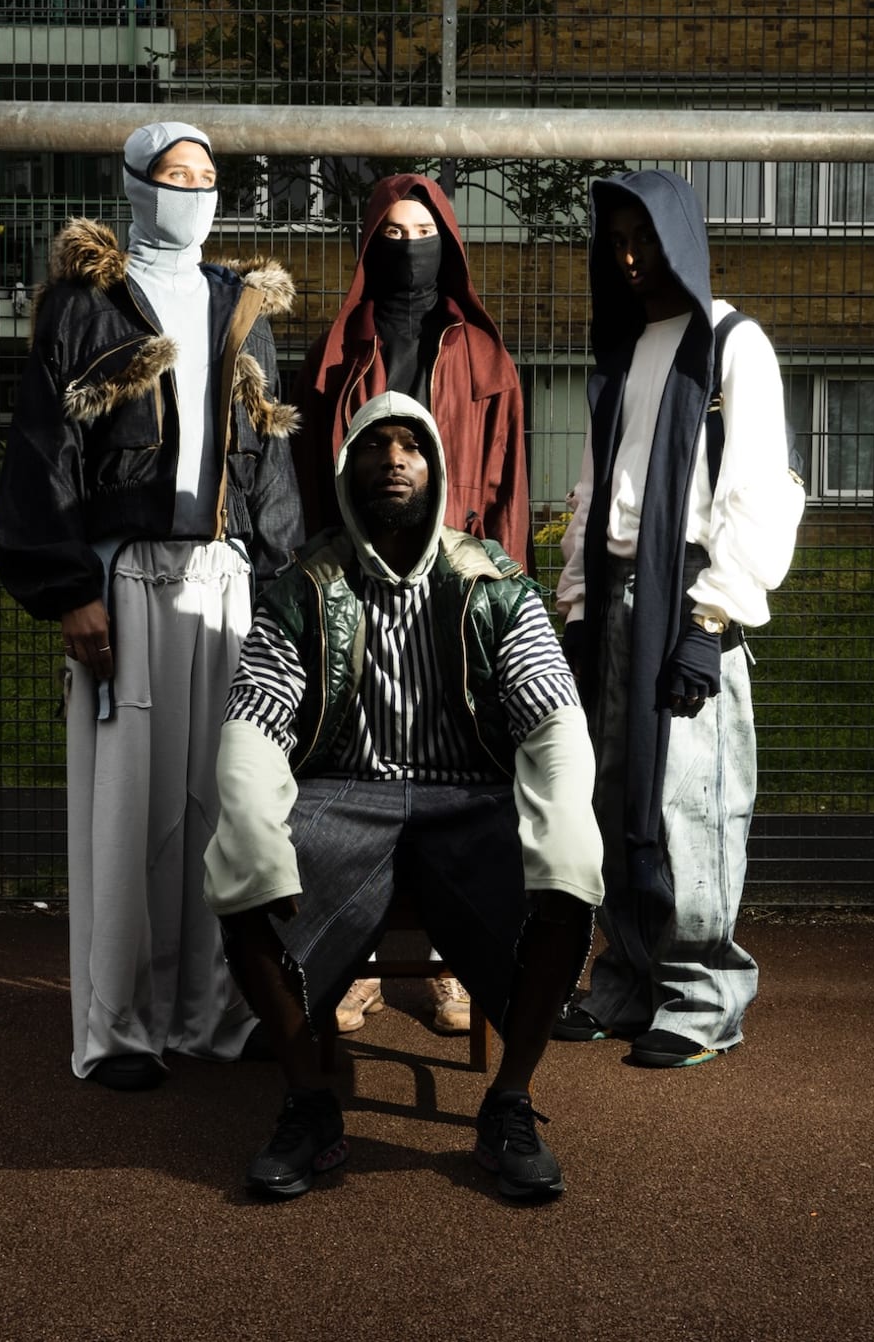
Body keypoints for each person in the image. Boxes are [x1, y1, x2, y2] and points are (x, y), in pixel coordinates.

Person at [203, 392, 603, 1201]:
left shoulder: (492, 582)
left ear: (437, 468)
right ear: (348, 468)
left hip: (468, 799)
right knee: (239, 880)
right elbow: (256, 712)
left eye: (411, 445)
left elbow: (551, 709)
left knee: (566, 883)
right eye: (376, 445)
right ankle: (310, 1103)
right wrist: (249, 817)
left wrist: (564, 822)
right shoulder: (304, 586)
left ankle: (510, 1104)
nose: (393, 459)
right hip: (348, 796)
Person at [0, 121, 304, 1092]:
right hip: (125, 582)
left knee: (224, 804)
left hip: (228, 582)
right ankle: (118, 1029)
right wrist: (70, 589)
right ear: (134, 185)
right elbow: (43, 456)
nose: (191, 191)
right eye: (172, 175)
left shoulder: (240, 306)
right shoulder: (82, 306)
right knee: (128, 814)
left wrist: (285, 590)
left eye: (207, 177)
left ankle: (212, 1015)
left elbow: (272, 464)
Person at [552, 168, 799, 1070]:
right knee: (612, 797)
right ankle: (625, 980)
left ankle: (701, 996)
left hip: (689, 605)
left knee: (693, 802)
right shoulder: (618, 354)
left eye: (646, 239)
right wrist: (577, 602)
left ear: (682, 241)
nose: (629, 258)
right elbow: (591, 494)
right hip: (616, 603)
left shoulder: (733, 344)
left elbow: (761, 493)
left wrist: (715, 619)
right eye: (614, 242)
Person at [292, 172, 529, 1036]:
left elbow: (506, 489)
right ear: (366, 246)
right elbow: (318, 483)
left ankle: (440, 965)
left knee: (451, 769)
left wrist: (506, 593)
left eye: (420, 230)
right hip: (358, 583)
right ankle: (351, 959)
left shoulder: (483, 354)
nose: (406, 247)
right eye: (387, 234)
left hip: (458, 588)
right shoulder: (339, 349)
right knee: (360, 766)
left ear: (449, 241)